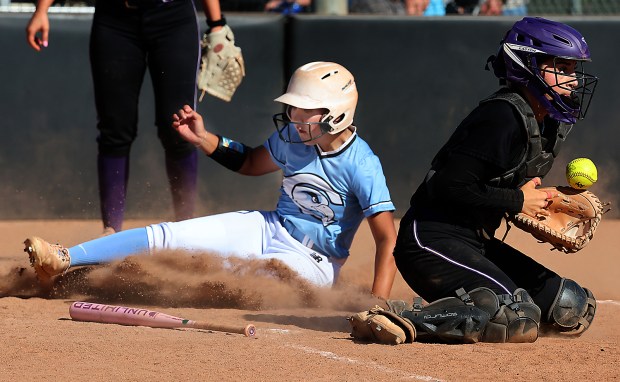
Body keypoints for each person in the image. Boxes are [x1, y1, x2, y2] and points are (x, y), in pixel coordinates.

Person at [24, 62, 398, 300]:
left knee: (245, 278)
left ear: (336, 114)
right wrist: (205, 139)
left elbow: (386, 239)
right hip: (269, 227)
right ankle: (65, 258)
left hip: (315, 263)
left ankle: (103, 280)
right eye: (292, 108)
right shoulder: (292, 138)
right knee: (172, 236)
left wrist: (378, 306)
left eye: (304, 110)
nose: (293, 115)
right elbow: (251, 162)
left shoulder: (362, 165)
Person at [391, 17, 598, 343]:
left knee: (569, 306)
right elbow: (449, 186)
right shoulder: (501, 118)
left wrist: (532, 206)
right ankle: (406, 320)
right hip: (429, 240)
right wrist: (517, 201)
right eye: (563, 68)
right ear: (528, 65)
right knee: (514, 314)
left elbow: (496, 187)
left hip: (475, 240)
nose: (573, 81)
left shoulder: (545, 122)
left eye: (574, 69)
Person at [25, 0, 230, 236]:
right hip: (115, 19)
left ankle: (186, 231)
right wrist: (42, 9)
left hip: (173, 18)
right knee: (115, 128)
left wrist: (216, 23)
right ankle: (110, 232)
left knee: (179, 128)